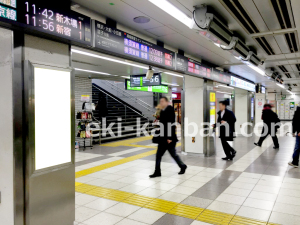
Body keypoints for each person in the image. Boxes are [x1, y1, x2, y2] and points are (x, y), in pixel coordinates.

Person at [149, 97, 187, 178]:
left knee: (173, 154)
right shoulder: (162, 111)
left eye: (162, 101)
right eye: (160, 101)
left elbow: (171, 124)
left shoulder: (170, 110)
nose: (161, 103)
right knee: (159, 155)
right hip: (163, 138)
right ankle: (157, 171)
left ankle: (182, 166)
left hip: (169, 138)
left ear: (167, 102)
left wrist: (170, 138)